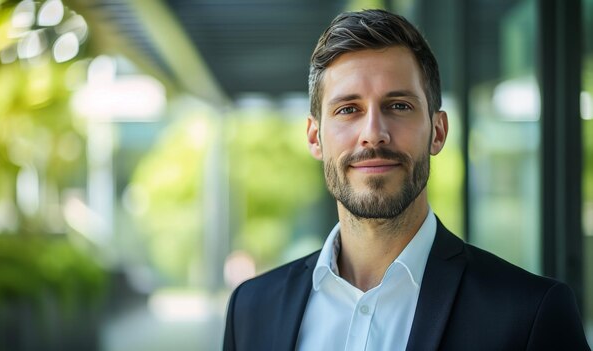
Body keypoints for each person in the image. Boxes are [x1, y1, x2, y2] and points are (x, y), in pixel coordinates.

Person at [223, 9, 590, 351]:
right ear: (314, 137)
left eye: (398, 105)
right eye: (348, 109)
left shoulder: (531, 314)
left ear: (438, 131)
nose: (373, 133)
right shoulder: (251, 310)